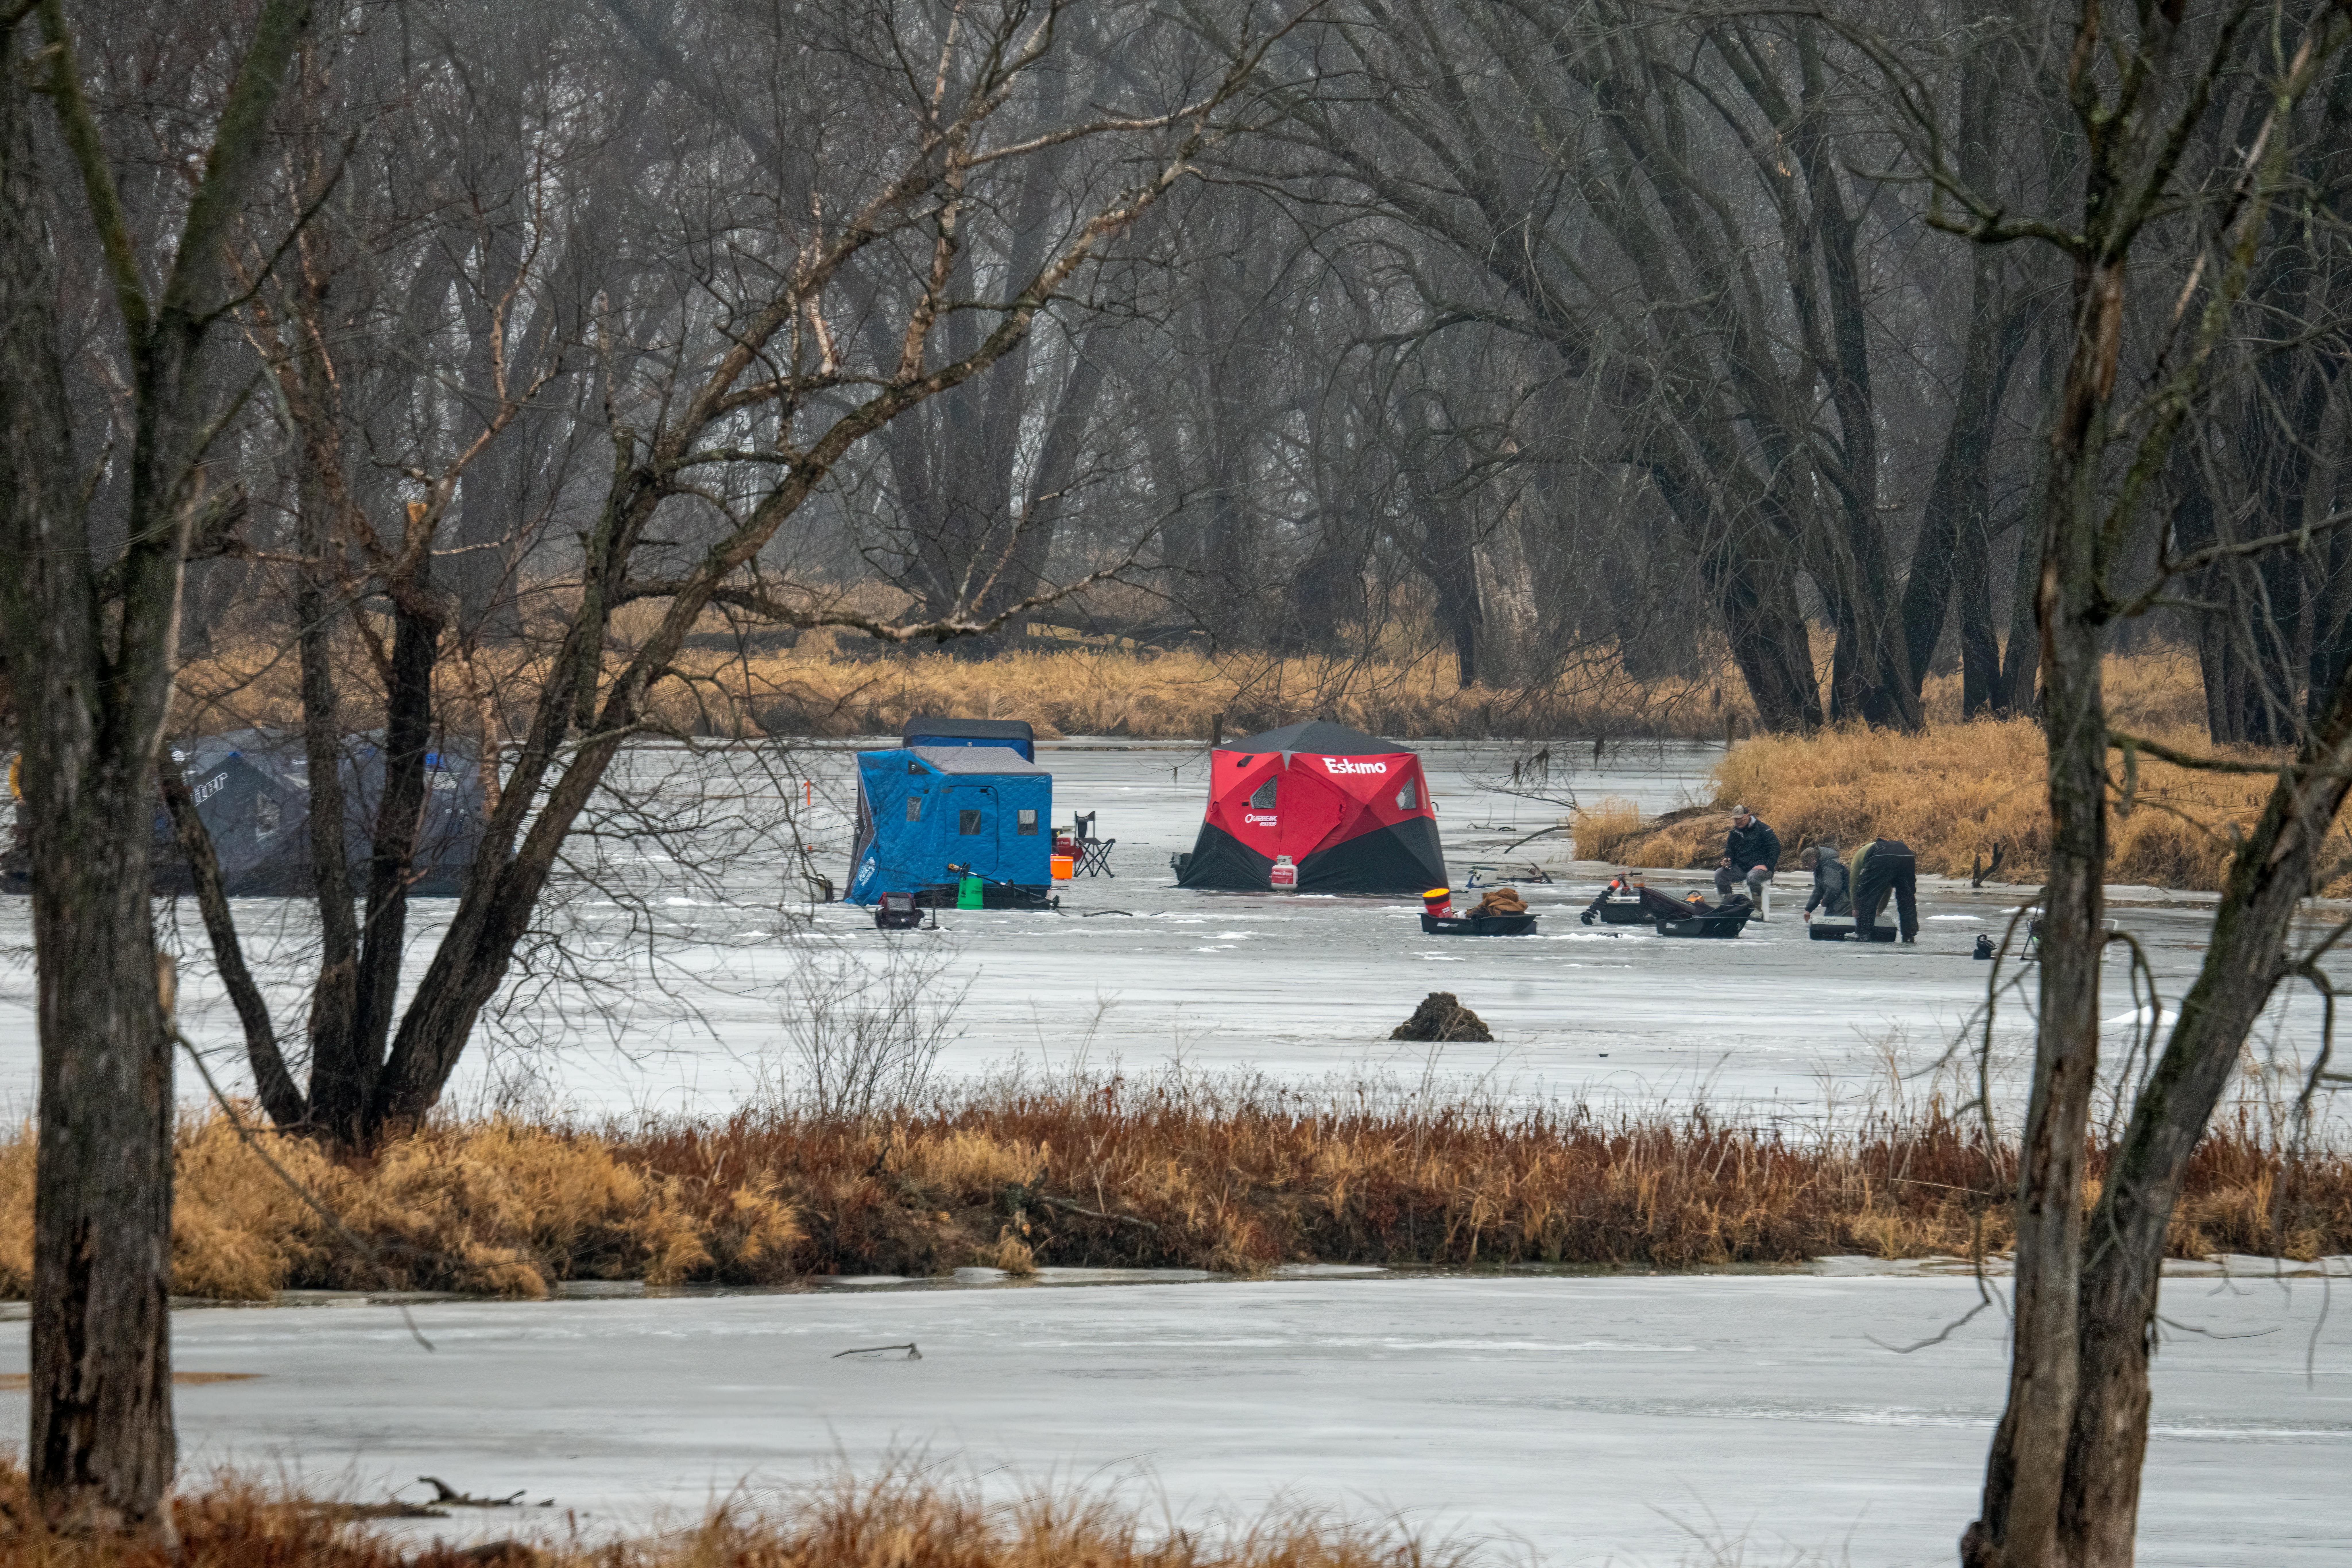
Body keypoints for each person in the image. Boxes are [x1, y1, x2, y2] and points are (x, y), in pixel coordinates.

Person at [1850, 837, 1919, 943]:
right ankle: (1909, 935)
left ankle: (1863, 935)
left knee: (1868, 895)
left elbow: (1855, 885)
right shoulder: (1884, 848)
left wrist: (1856, 908)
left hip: (1883, 856)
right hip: (1907, 855)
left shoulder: (1859, 857)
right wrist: (1879, 911)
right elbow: (1887, 888)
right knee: (1907, 898)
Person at [1716, 805, 1780, 917]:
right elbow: (1729, 851)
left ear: (1748, 816)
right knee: (1720, 875)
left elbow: (1775, 848)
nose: (1738, 821)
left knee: (1752, 877)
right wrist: (1727, 860)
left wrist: (1767, 865)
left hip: (1763, 868)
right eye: (1735, 819)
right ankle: (1729, 906)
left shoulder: (1764, 829)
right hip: (1741, 868)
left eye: (1740, 818)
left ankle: (1757, 909)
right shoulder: (1734, 833)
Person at [1798, 844, 1850, 922]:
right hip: (1834, 905)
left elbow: (1834, 889)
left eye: (1808, 864)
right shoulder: (1819, 868)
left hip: (1845, 904)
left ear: (1813, 859)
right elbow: (1818, 891)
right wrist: (1809, 910)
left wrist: (1825, 901)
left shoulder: (1829, 865)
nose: (1808, 867)